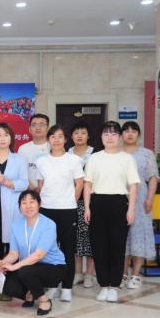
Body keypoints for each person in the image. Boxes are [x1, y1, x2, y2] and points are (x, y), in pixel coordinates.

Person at [84, 121, 140, 303]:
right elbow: (88, 184)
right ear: (101, 137)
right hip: (97, 203)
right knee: (99, 247)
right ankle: (103, 285)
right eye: (106, 134)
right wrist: (87, 207)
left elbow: (133, 186)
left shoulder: (127, 159)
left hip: (119, 203)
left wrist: (131, 209)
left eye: (114, 134)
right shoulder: (94, 158)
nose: (110, 137)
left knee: (117, 246)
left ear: (119, 137)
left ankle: (114, 286)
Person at [0, 190, 66, 316]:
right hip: (29, 267)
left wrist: (14, 266)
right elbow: (13, 254)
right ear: (19, 206)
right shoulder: (16, 225)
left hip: (54, 267)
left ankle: (44, 301)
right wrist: (2, 263)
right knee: (8, 285)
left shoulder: (49, 224)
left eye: (32, 202)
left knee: (24, 271)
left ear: (39, 204)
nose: (28, 206)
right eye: (24, 203)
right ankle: (31, 293)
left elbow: (39, 255)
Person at [35, 125, 83, 302]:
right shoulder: (41, 161)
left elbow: (79, 183)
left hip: (68, 210)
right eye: (53, 136)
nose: (56, 140)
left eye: (60, 136)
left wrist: (71, 201)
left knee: (68, 250)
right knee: (49, 250)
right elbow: (41, 185)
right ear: (48, 139)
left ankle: (67, 287)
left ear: (65, 139)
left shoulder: (74, 160)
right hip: (47, 209)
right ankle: (53, 286)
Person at [0, 122, 29, 301]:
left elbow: (24, 183)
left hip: (12, 209)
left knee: (12, 247)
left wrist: (7, 182)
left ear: (11, 138)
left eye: (6, 135)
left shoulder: (19, 159)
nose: (2, 139)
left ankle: (10, 287)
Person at [122, 121, 159, 289]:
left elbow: (153, 177)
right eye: (126, 131)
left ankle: (136, 275)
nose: (130, 134)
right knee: (122, 237)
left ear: (138, 134)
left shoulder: (146, 154)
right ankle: (123, 273)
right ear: (121, 135)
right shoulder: (116, 153)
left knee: (139, 235)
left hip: (141, 198)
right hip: (120, 197)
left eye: (134, 131)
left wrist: (150, 198)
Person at [68, 121, 97, 288]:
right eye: (76, 133)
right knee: (75, 239)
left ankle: (90, 274)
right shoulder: (67, 153)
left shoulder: (95, 154)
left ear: (88, 136)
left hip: (90, 202)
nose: (79, 136)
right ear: (71, 136)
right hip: (70, 202)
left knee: (91, 239)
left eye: (83, 133)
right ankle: (78, 273)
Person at [17, 114, 50, 190]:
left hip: (51, 192)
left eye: (41, 125)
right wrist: (34, 189)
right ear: (29, 129)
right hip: (29, 192)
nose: (38, 128)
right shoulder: (22, 149)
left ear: (48, 128)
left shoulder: (53, 147)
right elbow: (20, 173)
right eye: (34, 125)